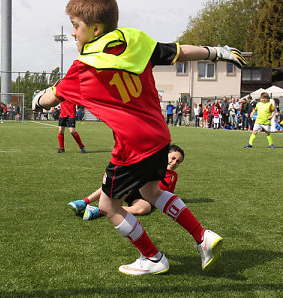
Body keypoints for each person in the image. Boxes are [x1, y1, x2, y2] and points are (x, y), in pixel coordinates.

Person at [32, 0, 246, 276]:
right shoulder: (135, 39)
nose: (73, 33)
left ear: (95, 29)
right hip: (159, 136)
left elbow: (50, 98)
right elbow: (179, 52)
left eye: (75, 26)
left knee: (109, 205)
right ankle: (202, 237)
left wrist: (38, 100)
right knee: (152, 191)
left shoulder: (83, 68)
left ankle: (153, 258)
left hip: (132, 146)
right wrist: (217, 52)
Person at [69, 145, 184, 220]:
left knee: (145, 209)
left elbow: (169, 193)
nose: (174, 163)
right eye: (173, 158)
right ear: (165, 155)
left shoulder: (174, 176)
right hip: (136, 189)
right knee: (118, 184)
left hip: (144, 199)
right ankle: (83, 202)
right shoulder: (153, 166)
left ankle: (98, 211)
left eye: (178, 161)